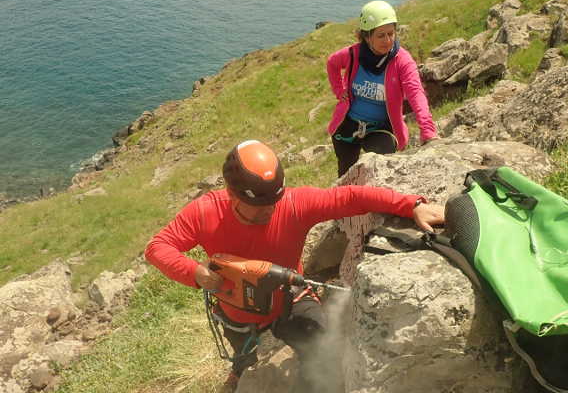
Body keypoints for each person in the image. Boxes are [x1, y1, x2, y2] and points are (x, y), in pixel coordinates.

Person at [144, 140, 444, 392]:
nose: (268, 212)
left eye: (272, 203)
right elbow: (158, 247)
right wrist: (194, 272)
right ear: (231, 192)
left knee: (322, 350)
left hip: (291, 299)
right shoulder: (206, 211)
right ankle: (242, 368)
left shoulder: (293, 204)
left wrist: (412, 205)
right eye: (257, 208)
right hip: (237, 311)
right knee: (244, 352)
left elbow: (351, 197)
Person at [326, 0, 438, 177]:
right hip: (347, 126)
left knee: (381, 171)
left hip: (381, 129)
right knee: (346, 175)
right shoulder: (353, 54)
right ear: (367, 36)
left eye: (391, 34)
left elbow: (415, 93)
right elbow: (332, 63)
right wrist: (339, 91)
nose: (388, 40)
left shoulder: (402, 61)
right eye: (380, 35)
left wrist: (427, 129)